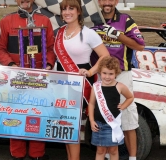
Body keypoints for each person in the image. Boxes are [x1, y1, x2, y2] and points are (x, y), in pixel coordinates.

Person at [0, 0, 56, 159]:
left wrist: (49, 65)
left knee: (38, 115)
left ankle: (37, 154)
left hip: (39, 78)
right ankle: (17, 154)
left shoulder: (44, 20)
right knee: (17, 115)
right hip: (16, 79)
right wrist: (11, 65)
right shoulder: (6, 21)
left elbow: (50, 48)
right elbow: (0, 48)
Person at [54, 0, 109, 159]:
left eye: (71, 8)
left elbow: (105, 56)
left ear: (79, 11)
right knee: (66, 124)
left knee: (71, 123)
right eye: (64, 9)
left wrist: (90, 71)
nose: (67, 12)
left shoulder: (88, 33)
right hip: (61, 81)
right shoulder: (60, 32)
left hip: (79, 82)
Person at [91, 0, 145, 159]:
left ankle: (133, 157)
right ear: (98, 1)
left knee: (127, 118)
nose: (107, 2)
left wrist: (117, 35)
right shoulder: (91, 20)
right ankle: (107, 154)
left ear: (115, 1)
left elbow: (140, 46)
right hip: (100, 74)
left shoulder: (125, 20)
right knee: (103, 114)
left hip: (122, 74)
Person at [88, 56, 134, 160]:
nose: (107, 77)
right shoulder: (96, 86)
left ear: (116, 73)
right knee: (100, 151)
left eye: (111, 74)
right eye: (104, 73)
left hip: (113, 125)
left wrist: (123, 106)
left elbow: (130, 97)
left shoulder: (120, 86)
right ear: (100, 72)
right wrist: (91, 120)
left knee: (113, 150)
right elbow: (91, 104)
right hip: (98, 124)